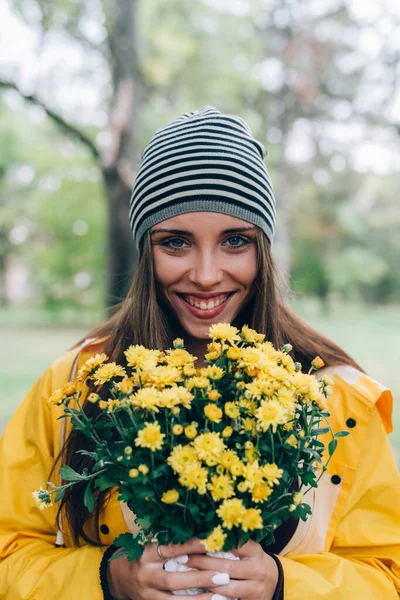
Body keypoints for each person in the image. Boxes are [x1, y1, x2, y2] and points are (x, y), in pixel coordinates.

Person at [0, 106, 399, 600]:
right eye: (176, 243)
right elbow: (8, 552)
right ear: (147, 250)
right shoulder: (75, 385)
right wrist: (109, 579)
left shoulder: (341, 399)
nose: (207, 275)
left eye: (235, 241)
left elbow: (387, 573)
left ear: (264, 251)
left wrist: (283, 585)